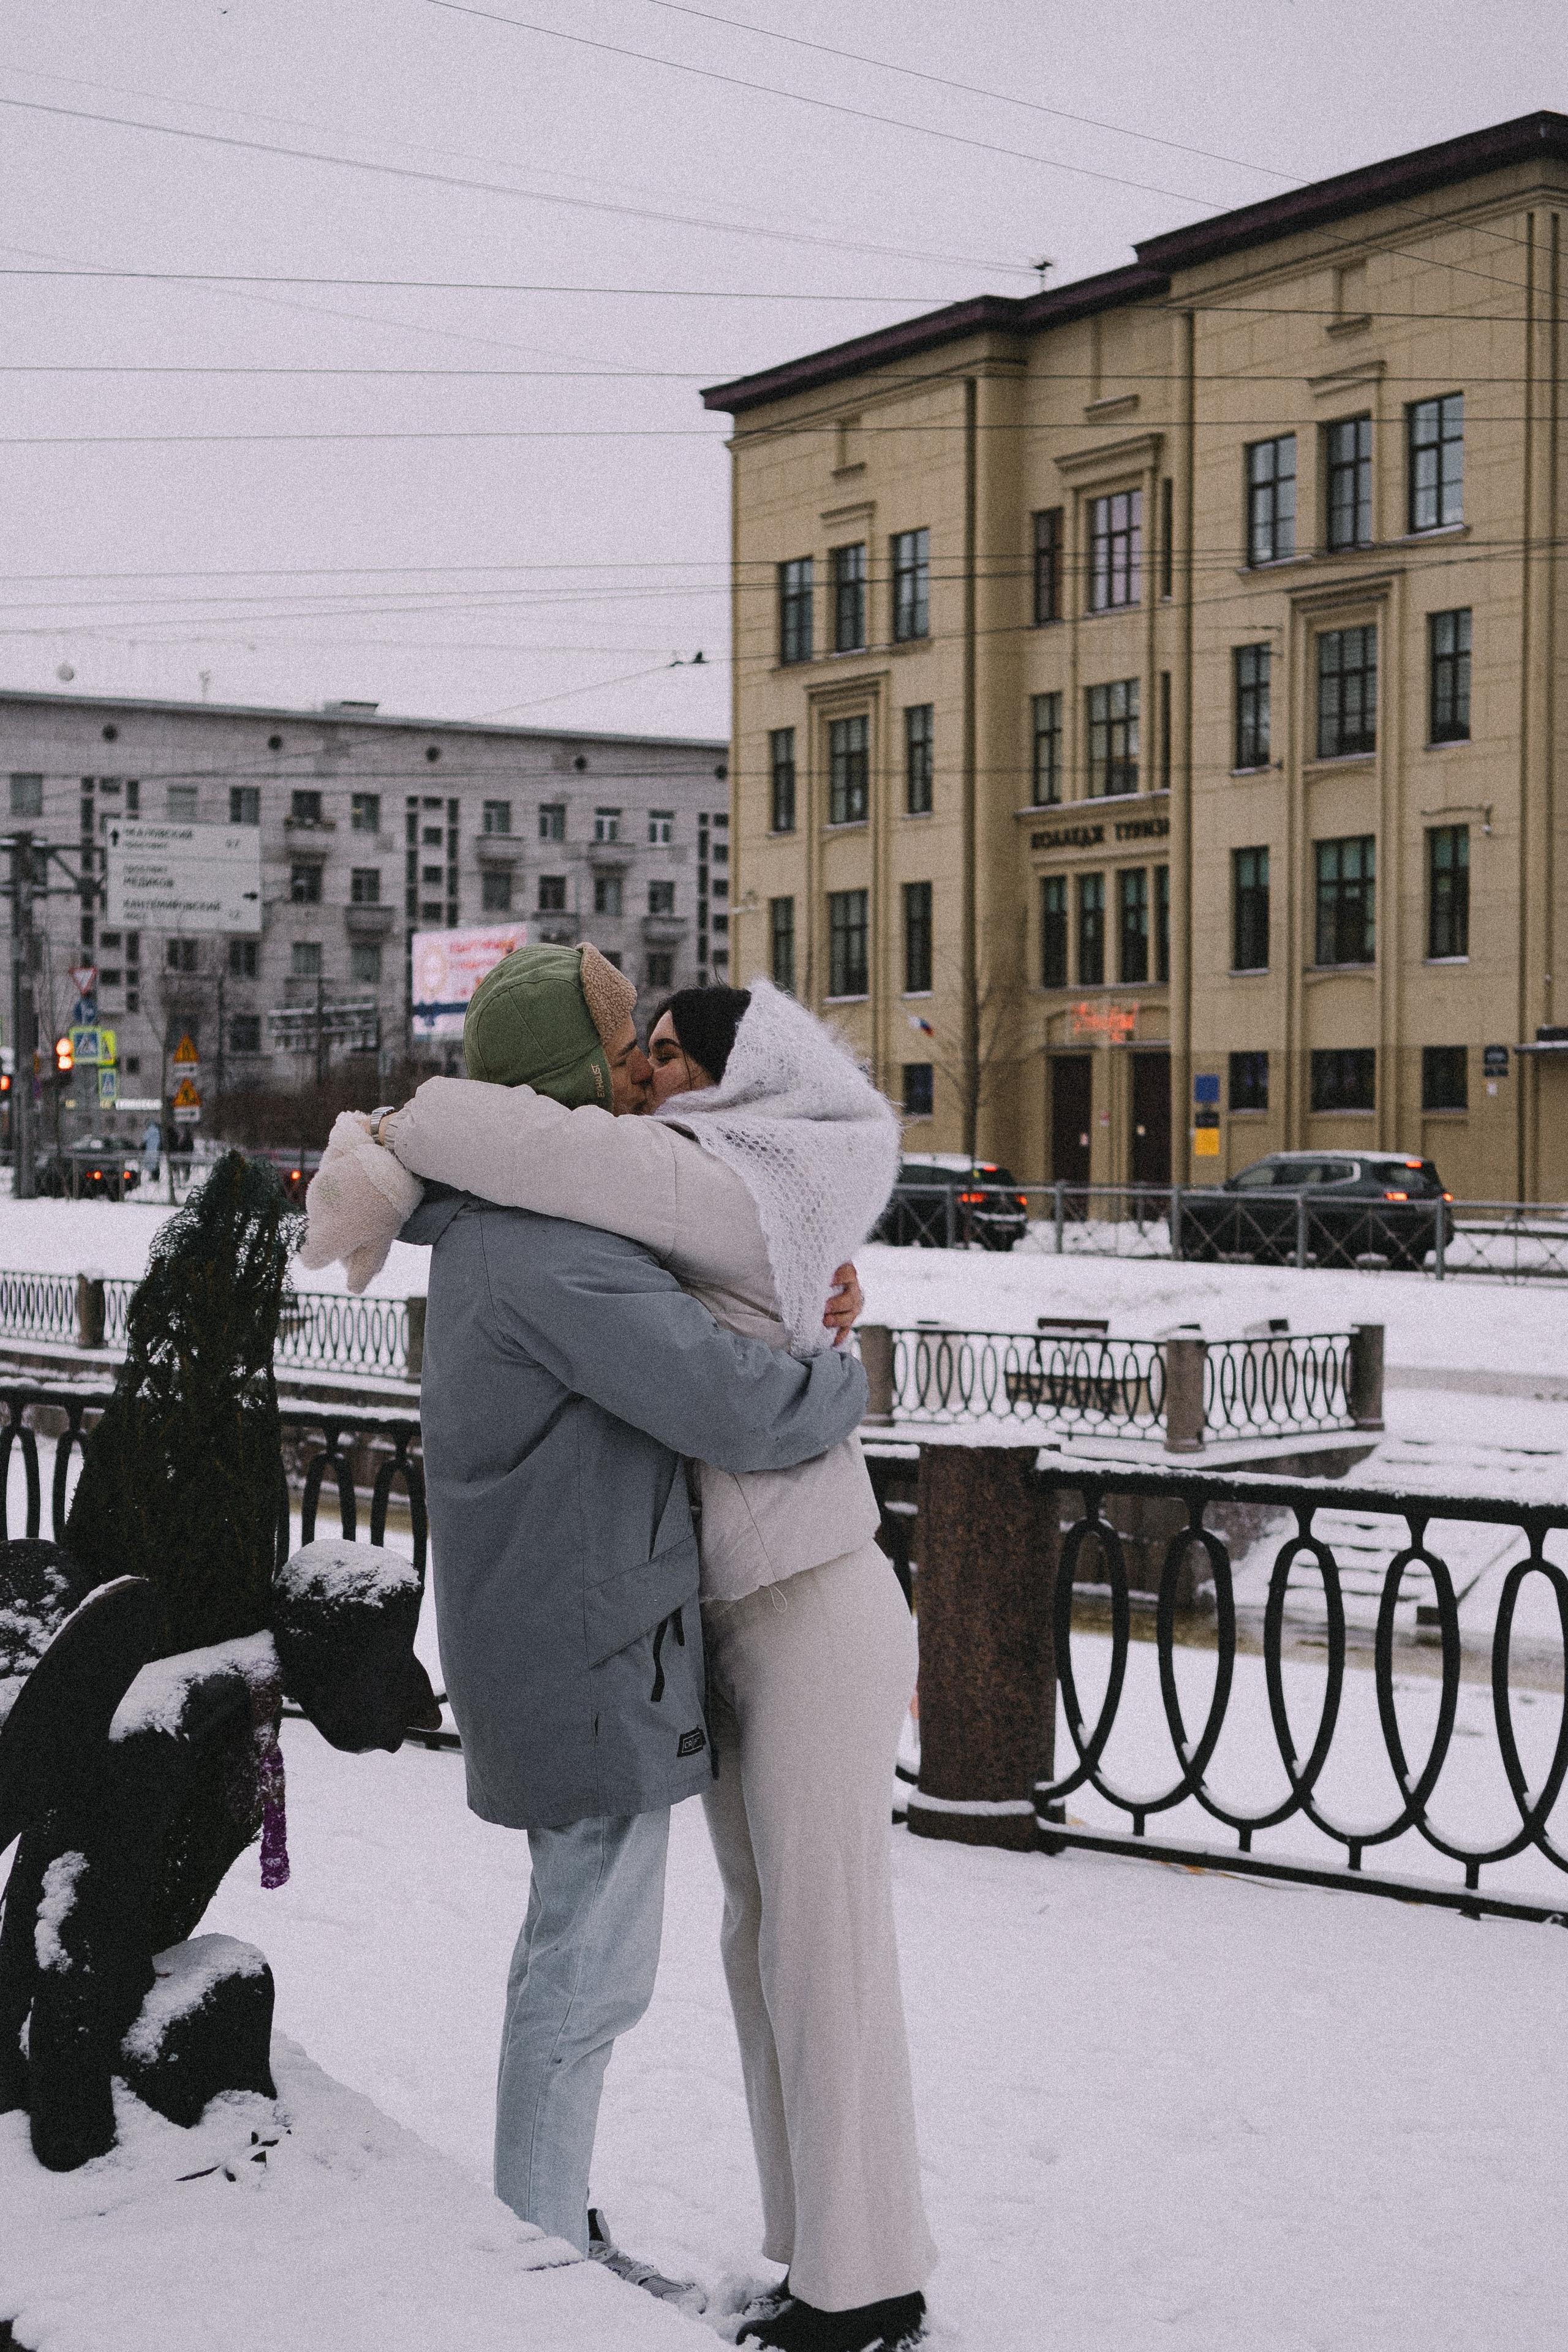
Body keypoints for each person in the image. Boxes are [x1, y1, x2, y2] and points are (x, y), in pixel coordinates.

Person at [304, 956, 935, 2352]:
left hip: (809, 1596)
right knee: (759, 1939)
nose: (644, 1072)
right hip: (725, 1612)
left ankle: (867, 2283)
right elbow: (534, 1159)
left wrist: (393, 1140)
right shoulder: (637, 1191)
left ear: (738, 1078)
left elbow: (503, 1138)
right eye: (627, 1048)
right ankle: (815, 2253)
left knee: (817, 1944)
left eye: (665, 1051)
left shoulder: (708, 1178)